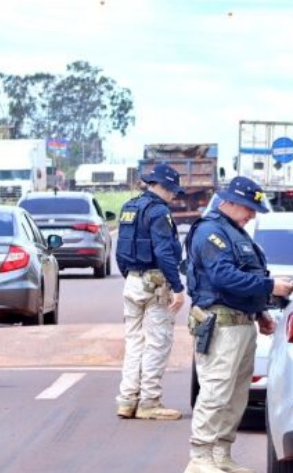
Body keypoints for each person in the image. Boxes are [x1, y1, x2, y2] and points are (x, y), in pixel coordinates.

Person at [182, 176, 293, 473]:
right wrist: (271, 286)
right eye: (248, 207)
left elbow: (244, 277)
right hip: (221, 324)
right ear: (229, 202)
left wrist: (260, 312)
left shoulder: (236, 232)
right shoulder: (210, 232)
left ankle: (221, 453)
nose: (252, 215)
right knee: (216, 390)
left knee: (236, 394)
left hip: (242, 323)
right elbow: (224, 277)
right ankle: (200, 456)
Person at [114, 163, 188, 421]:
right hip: (156, 283)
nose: (173, 195)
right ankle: (149, 401)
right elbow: (164, 252)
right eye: (172, 190)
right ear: (163, 187)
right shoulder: (158, 212)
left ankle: (127, 400)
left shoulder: (129, 208)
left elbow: (121, 251)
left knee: (134, 342)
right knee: (157, 342)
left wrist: (132, 275)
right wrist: (177, 287)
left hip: (132, 281)